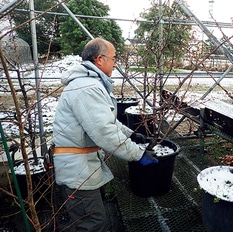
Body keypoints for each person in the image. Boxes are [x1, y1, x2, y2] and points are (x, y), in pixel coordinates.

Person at [52, 37, 158, 231]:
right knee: (92, 224)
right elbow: (104, 131)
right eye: (113, 57)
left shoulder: (88, 83)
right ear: (99, 60)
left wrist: (130, 135)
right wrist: (138, 154)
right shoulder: (87, 88)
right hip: (77, 172)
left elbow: (105, 120)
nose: (115, 62)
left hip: (81, 166)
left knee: (91, 220)